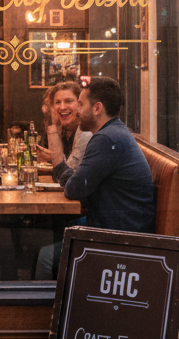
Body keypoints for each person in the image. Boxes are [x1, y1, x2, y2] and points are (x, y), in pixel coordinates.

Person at [35, 76, 155, 279]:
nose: (78, 111)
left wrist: (68, 177)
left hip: (119, 237)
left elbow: (74, 189)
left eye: (80, 104)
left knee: (45, 256)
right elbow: (78, 184)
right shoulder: (112, 133)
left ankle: (50, 308)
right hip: (118, 224)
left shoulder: (106, 139)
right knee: (49, 231)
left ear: (97, 108)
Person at [36, 80, 92, 175]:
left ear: (80, 104)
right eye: (57, 102)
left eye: (68, 101)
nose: (62, 107)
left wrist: (52, 158)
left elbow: (65, 176)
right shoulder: (65, 130)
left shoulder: (86, 132)